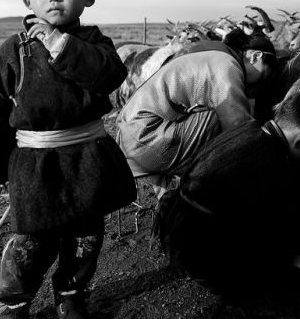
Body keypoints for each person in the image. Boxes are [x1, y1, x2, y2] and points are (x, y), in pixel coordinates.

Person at [0, 0, 136, 319]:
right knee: (32, 242)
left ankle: (71, 296)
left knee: (86, 238)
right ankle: (13, 307)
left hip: (87, 157)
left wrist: (59, 43)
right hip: (36, 164)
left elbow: (109, 76)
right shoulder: (13, 51)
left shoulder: (96, 44)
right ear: (26, 0)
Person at [153, 90, 300, 295]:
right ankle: (237, 286)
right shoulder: (273, 166)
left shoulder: (249, 129)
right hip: (200, 257)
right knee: (289, 243)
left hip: (176, 228)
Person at [115, 30, 277, 196]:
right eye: (264, 74)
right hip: (145, 138)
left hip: (132, 134)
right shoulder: (226, 64)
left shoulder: (209, 53)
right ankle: (205, 187)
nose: (261, 82)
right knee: (220, 119)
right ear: (255, 56)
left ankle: (175, 192)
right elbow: (237, 123)